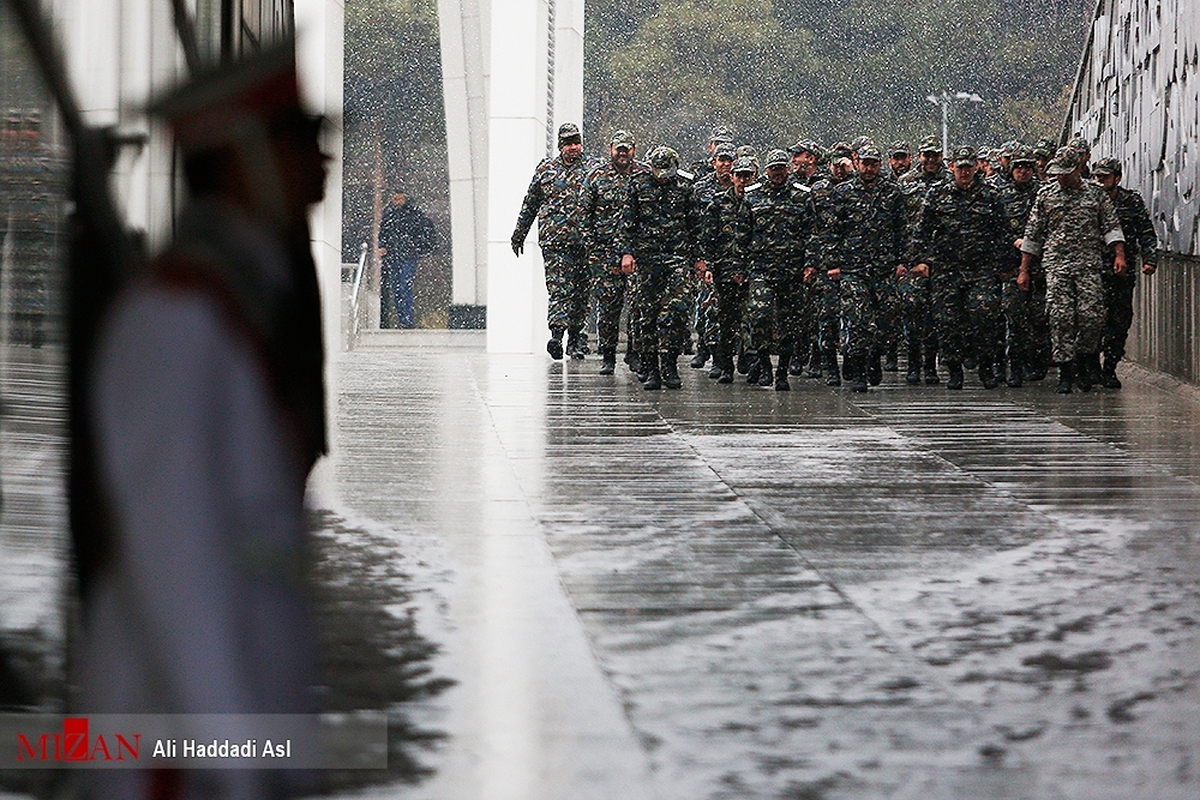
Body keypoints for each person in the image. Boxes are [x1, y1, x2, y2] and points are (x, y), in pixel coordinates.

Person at [81, 44, 327, 799]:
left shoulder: (238, 299)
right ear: (241, 159)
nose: (320, 163)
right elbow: (177, 564)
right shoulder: (178, 320)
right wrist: (240, 766)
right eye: (299, 138)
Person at [1019, 146, 1126, 393]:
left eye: (1066, 172)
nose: (1061, 177)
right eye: (1058, 173)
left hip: (1088, 265)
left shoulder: (1096, 194)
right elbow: (1032, 235)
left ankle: (1085, 358)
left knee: (1092, 316)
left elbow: (1111, 226)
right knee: (1060, 316)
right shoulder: (1046, 196)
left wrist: (1119, 255)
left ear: (1078, 169)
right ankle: (1065, 370)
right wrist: (1024, 270)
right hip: (1057, 266)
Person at [910, 145, 1009, 389]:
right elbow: (921, 231)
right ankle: (954, 370)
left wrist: (1004, 265)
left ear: (976, 167)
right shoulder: (937, 194)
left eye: (969, 167)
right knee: (947, 320)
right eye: (960, 167)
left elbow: (1003, 232)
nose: (964, 172)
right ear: (952, 167)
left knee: (985, 315)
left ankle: (986, 366)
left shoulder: (991, 195)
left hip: (981, 268)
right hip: (947, 268)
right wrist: (921, 260)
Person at [615, 146, 704, 390]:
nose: (663, 176)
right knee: (646, 315)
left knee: (676, 311)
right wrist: (626, 253)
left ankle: (669, 363)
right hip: (647, 260)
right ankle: (651, 367)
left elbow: (696, 225)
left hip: (677, 258)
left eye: (667, 171)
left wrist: (700, 258)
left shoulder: (685, 186)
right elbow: (627, 223)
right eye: (659, 171)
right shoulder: (638, 184)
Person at [821, 145, 906, 392]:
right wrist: (833, 263)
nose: (869, 168)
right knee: (857, 319)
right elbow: (832, 231)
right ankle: (857, 368)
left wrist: (902, 261)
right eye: (865, 163)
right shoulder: (843, 192)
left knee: (887, 319)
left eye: (873, 164)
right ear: (857, 163)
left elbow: (901, 229)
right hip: (852, 267)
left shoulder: (892, 192)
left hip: (883, 267)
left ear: (880, 165)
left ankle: (874, 355)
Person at [511, 122, 592, 359]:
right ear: (560, 145)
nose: (573, 148)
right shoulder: (545, 170)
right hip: (555, 243)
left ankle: (576, 340)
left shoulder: (593, 169)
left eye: (576, 142)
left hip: (585, 242)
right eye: (568, 143)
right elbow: (531, 203)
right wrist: (519, 233)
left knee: (581, 292)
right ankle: (557, 335)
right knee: (559, 290)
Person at [738, 148, 813, 390]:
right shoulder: (752, 197)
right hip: (760, 270)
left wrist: (810, 264)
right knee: (759, 317)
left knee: (790, 323)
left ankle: (782, 371)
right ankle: (764, 366)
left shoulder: (802, 197)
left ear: (788, 169)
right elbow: (741, 236)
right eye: (773, 169)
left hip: (792, 271)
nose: (777, 173)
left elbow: (812, 233)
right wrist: (739, 267)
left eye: (781, 168)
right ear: (766, 171)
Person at [583, 129, 647, 375]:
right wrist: (592, 250)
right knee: (608, 307)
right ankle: (608, 355)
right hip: (604, 254)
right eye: (618, 149)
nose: (622, 153)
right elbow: (584, 214)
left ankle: (634, 352)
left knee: (638, 305)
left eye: (626, 148)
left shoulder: (643, 175)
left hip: (635, 254)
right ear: (611, 149)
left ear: (633, 149)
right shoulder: (596, 177)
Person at [1092, 156, 1157, 388]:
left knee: (1119, 321)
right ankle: (1090, 366)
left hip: (1121, 271)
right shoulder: (1088, 200)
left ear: (1117, 179)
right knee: (1091, 321)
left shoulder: (1131, 202)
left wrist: (1149, 259)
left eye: (1105, 177)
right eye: (1097, 177)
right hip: (1092, 270)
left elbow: (1145, 232)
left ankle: (1109, 367)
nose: (1100, 181)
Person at [377, 191, 435, 328]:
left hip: (408, 255)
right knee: (397, 288)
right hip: (394, 255)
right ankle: (403, 319)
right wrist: (383, 246)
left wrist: (415, 246)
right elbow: (383, 232)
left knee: (404, 286)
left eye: (400, 198)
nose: (397, 201)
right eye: (395, 199)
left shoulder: (413, 213)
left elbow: (423, 231)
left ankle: (407, 319)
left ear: (405, 199)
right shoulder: (390, 214)